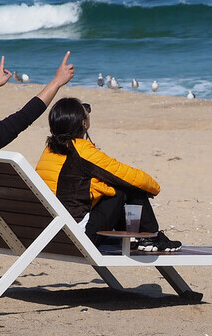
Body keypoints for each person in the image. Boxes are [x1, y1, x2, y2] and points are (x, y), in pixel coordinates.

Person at [35, 97, 182, 252]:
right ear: (83, 123)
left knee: (114, 186)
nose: (88, 110)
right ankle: (151, 237)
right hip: (77, 235)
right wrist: (153, 189)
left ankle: (141, 237)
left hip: (51, 232)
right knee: (126, 186)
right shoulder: (82, 152)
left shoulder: (49, 151)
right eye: (85, 109)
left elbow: (69, 185)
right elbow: (129, 176)